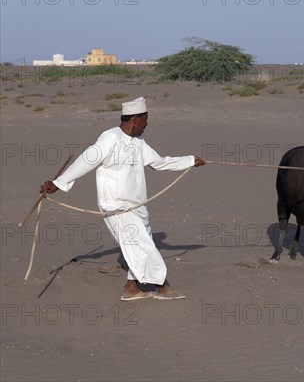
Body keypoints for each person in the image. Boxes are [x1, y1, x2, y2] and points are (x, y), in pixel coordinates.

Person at [40, 97, 205, 301]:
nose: (147, 125)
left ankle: (131, 288)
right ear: (135, 119)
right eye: (145, 120)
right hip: (116, 206)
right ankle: (162, 286)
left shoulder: (138, 142)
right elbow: (86, 160)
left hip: (138, 205)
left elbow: (159, 163)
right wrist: (58, 183)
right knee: (143, 245)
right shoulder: (110, 138)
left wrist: (189, 161)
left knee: (137, 245)